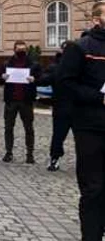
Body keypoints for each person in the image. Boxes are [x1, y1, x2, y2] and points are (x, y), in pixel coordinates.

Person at [58, 1, 105, 241]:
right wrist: (98, 97)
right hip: (90, 127)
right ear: (96, 19)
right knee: (93, 189)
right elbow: (65, 85)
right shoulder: (81, 47)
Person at [0, 41, 41, 164]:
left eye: (23, 49)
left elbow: (41, 79)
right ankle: (8, 152)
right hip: (11, 100)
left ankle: (30, 154)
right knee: (8, 127)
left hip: (26, 101)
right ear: (14, 50)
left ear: (26, 50)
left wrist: (34, 79)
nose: (21, 51)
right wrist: (3, 78)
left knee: (29, 128)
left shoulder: (33, 64)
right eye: (19, 49)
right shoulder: (7, 64)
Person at [39, 41, 74, 171]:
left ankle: (85, 161)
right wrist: (35, 78)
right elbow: (44, 79)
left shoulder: (81, 66)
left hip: (78, 108)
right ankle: (54, 158)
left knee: (82, 138)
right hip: (61, 107)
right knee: (58, 136)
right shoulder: (56, 67)